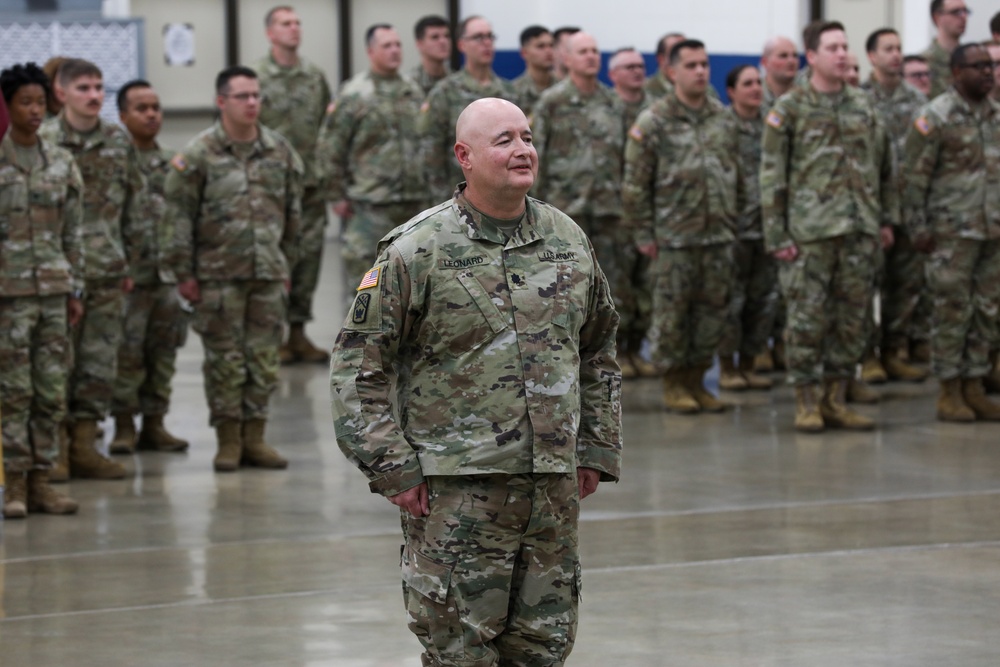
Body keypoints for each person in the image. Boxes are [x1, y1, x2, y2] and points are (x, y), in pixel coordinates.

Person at [329, 96, 622, 667]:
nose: (523, 150)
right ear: (464, 156)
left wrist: (596, 447)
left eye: (528, 137)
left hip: (551, 492)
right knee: (459, 650)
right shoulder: (417, 250)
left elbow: (599, 349)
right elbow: (357, 368)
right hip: (457, 495)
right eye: (505, 140)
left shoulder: (567, 239)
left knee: (544, 647)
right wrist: (392, 467)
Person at [761, 21, 897, 432]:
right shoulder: (790, 107)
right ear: (813, 55)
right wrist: (777, 234)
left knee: (852, 320)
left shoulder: (864, 105)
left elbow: (885, 168)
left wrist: (886, 219)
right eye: (832, 47)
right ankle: (806, 402)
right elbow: (772, 175)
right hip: (809, 235)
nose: (841, 54)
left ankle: (836, 398)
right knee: (806, 320)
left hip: (859, 231)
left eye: (845, 46)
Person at [165, 66, 302, 471]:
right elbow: (177, 218)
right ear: (221, 101)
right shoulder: (198, 154)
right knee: (224, 361)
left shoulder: (279, 151)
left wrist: (286, 264)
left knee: (262, 359)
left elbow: (294, 215)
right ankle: (228, 440)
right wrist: (183, 273)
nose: (252, 103)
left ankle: (254, 438)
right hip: (216, 276)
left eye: (256, 95)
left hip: (266, 273)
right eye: (242, 96)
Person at [623, 39, 741, 413]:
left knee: (712, 314)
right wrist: (643, 233)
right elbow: (635, 183)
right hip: (674, 237)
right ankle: (675, 383)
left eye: (704, 64)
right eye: (691, 65)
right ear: (672, 72)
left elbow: (734, 173)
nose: (701, 71)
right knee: (673, 316)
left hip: (718, 235)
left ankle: (697, 379)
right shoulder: (653, 120)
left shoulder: (722, 117)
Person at [40, 58, 143, 481]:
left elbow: (136, 205)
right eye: (83, 87)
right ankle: (56, 451)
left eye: (99, 87)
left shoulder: (118, 141)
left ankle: (84, 444)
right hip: (58, 273)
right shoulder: (44, 141)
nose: (94, 95)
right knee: (56, 363)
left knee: (99, 364)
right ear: (61, 93)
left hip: (107, 269)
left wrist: (132, 261)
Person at [532, 32, 642, 375]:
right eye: (583, 52)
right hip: (567, 210)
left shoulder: (613, 102)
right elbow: (538, 157)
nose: (591, 57)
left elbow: (629, 156)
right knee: (566, 288)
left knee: (614, 287)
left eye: (595, 51)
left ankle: (613, 354)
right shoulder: (552, 101)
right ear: (567, 59)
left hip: (610, 209)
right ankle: (565, 356)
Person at [1, 63, 83, 518]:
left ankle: (42, 481)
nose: (34, 111)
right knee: (15, 391)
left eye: (39, 102)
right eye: (24, 103)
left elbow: (74, 234)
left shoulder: (61, 162)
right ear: (8, 106)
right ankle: (14, 485)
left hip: (54, 291)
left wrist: (77, 290)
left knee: (51, 390)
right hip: (7, 296)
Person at [904, 43, 1000, 422]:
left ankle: (974, 385)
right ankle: (948, 391)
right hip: (950, 233)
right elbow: (912, 179)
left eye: (990, 66)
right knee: (951, 311)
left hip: (991, 231)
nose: (988, 73)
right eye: (979, 67)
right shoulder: (935, 117)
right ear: (957, 72)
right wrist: (918, 228)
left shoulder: (996, 116)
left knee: (986, 311)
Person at [107, 80, 190, 455]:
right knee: (126, 354)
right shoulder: (113, 162)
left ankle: (154, 424)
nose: (151, 114)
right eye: (141, 108)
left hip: (166, 277)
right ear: (123, 116)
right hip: (128, 279)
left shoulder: (173, 163)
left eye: (155, 107)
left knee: (163, 352)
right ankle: (124, 426)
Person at [254, 4, 333, 365]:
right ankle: (271, 335)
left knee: (308, 261)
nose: (294, 29)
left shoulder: (314, 77)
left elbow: (326, 129)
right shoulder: (257, 78)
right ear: (270, 33)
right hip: (270, 188)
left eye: (298, 23)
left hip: (310, 187)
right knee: (273, 260)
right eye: (286, 24)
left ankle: (298, 333)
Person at [316, 24, 425, 282]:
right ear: (370, 51)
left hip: (413, 204)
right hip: (371, 207)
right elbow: (330, 146)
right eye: (387, 45)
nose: (395, 50)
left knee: (413, 285)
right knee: (366, 285)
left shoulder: (412, 90)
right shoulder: (355, 93)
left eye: (398, 44)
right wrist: (335, 195)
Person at [861, 28, 930, 384]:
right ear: (872, 56)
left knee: (904, 285)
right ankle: (869, 355)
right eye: (888, 49)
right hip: (870, 208)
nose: (896, 55)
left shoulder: (917, 101)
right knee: (866, 283)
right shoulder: (859, 98)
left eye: (899, 48)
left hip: (908, 207)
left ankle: (894, 351)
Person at [717, 64, 776, 392]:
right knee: (731, 301)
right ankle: (727, 366)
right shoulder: (722, 126)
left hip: (766, 227)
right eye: (748, 83)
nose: (756, 88)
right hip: (733, 227)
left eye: (758, 82)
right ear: (732, 91)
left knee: (763, 300)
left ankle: (750, 362)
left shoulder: (773, 122)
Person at [417, 15, 516, 202]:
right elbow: (431, 153)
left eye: (490, 37)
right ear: (462, 45)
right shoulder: (445, 92)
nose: (486, 43)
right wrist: (442, 201)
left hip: (503, 198)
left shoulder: (508, 92)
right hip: (458, 199)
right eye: (479, 37)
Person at [922, 0, 969, 98]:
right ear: (937, 17)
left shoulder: (970, 60)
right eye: (956, 12)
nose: (963, 17)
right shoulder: (924, 62)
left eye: (965, 11)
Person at [511, 25, 555, 113]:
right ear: (524, 53)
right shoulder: (513, 93)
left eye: (551, 45)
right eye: (540, 46)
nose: (548, 51)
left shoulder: (564, 89)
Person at [410, 15, 451, 96]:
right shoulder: (409, 85)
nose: (443, 41)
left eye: (447, 36)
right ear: (420, 44)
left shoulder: (456, 82)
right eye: (435, 37)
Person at [609, 47, 649, 127]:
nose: (638, 71)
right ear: (613, 75)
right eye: (630, 67)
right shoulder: (604, 106)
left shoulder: (656, 107)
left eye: (641, 66)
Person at [761, 36, 800, 109]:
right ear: (765, 62)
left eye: (795, 55)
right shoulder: (755, 96)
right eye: (783, 56)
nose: (791, 61)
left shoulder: (807, 95)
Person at [644, 32, 685, 99]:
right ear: (661, 59)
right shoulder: (644, 91)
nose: (684, 56)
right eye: (676, 52)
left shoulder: (701, 89)